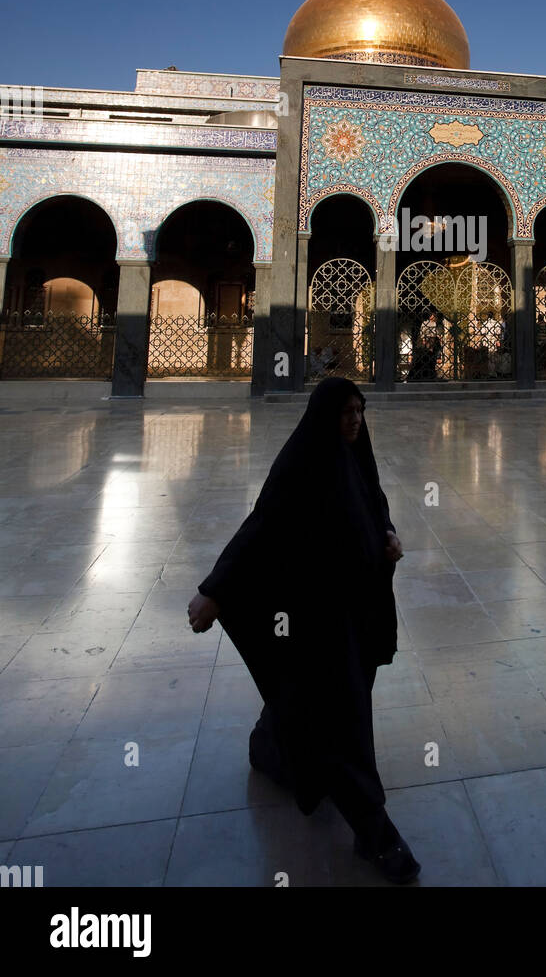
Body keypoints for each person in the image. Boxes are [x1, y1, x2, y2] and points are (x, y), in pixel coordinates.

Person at [186, 377, 420, 884]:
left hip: (357, 615)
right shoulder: (301, 463)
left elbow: (374, 509)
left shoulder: (358, 458)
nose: (354, 419)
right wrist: (215, 590)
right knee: (347, 723)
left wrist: (388, 536)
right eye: (344, 411)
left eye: (359, 409)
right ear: (323, 416)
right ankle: (375, 834)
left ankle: (272, 748)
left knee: (321, 711)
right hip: (317, 620)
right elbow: (262, 526)